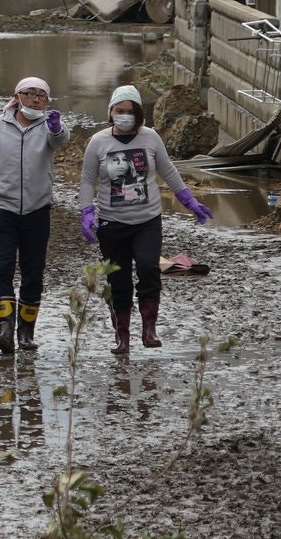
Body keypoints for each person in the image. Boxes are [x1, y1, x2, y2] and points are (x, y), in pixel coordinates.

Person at [78, 84, 214, 353]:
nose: (124, 116)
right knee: (118, 280)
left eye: (130, 111)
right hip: (112, 223)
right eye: (119, 110)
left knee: (148, 268)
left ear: (139, 113)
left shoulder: (150, 137)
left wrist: (188, 200)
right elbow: (87, 180)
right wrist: (86, 211)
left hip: (147, 221)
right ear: (110, 111)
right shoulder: (98, 142)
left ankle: (149, 329)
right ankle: (122, 336)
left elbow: (168, 171)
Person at [0, 76, 68, 354]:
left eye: (41, 96)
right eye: (29, 94)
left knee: (33, 272)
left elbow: (61, 140)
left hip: (37, 210)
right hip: (2, 209)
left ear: (46, 101)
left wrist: (57, 127)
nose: (35, 99)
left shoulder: (49, 128)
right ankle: (5, 329)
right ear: (17, 96)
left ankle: (26, 332)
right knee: (2, 267)